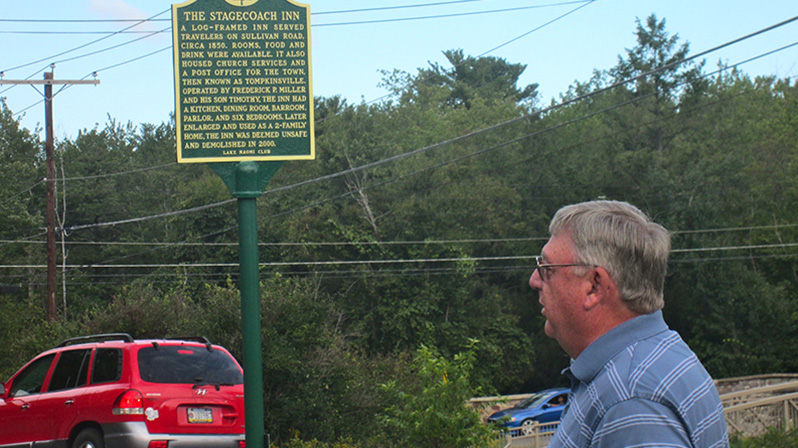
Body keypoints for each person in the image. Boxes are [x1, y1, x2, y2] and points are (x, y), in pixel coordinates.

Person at [529, 200, 729, 447]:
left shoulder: (632, 402)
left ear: (594, 286)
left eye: (547, 268)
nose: (534, 280)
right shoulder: (655, 356)